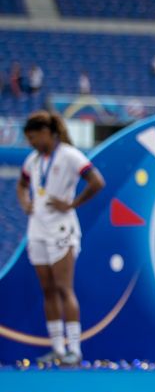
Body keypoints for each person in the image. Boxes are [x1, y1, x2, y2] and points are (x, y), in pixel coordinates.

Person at [16, 110, 105, 365]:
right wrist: (25, 202)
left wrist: (72, 204)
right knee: (48, 290)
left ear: (47, 132)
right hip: (37, 229)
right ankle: (57, 348)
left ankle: (74, 350)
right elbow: (22, 185)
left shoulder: (69, 155)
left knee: (65, 288)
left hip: (61, 230)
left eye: (34, 137)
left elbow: (97, 181)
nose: (31, 143)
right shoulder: (33, 161)